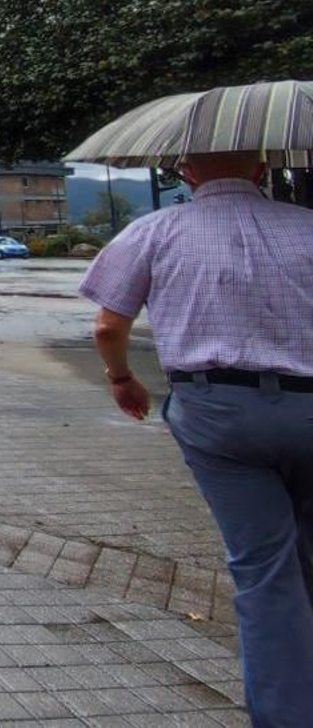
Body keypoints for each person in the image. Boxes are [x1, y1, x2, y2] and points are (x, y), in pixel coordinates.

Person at [79, 151, 313, 726]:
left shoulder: (154, 231)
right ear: (260, 169)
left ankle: (287, 714)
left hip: (219, 414)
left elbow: (109, 325)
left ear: (183, 171)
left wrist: (121, 379)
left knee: (265, 568)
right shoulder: (307, 225)